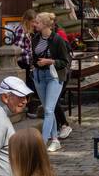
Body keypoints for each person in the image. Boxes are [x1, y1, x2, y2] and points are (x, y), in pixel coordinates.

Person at [31, 13, 72, 153]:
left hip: (54, 76)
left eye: (37, 22)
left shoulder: (57, 39)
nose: (34, 24)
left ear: (44, 24)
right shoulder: (35, 38)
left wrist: (50, 61)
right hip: (39, 76)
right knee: (50, 109)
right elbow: (35, 56)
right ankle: (55, 140)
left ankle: (42, 143)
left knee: (48, 110)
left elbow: (65, 62)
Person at [6, 10, 39, 116]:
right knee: (30, 86)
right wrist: (28, 52)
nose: (35, 24)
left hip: (27, 62)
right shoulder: (21, 30)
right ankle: (29, 108)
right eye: (33, 21)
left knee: (31, 85)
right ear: (27, 20)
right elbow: (18, 48)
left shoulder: (27, 31)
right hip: (22, 63)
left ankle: (29, 107)